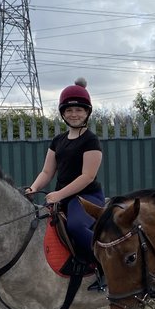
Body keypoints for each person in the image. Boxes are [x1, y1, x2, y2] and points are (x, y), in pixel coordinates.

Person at [25, 78, 106, 291]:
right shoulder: (57, 141)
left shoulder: (91, 140)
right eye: (69, 110)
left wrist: (59, 195)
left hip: (87, 198)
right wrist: (33, 188)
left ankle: (106, 265)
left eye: (79, 109)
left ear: (87, 112)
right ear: (62, 113)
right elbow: (47, 172)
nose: (74, 114)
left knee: (76, 226)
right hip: (62, 198)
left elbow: (87, 176)